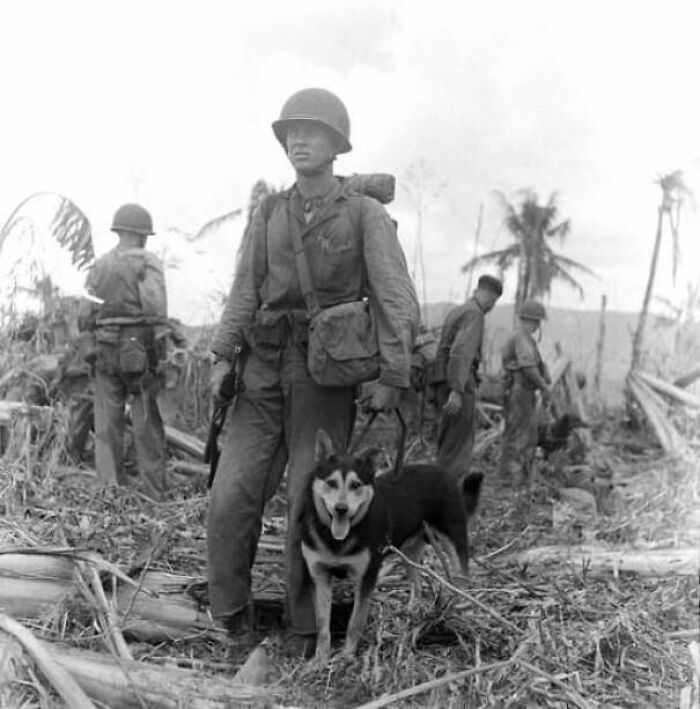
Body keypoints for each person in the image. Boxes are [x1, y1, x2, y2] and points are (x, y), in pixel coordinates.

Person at [207, 87, 419, 642]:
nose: (298, 140)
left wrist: (393, 376)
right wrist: (221, 354)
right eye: (290, 133)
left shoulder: (364, 216)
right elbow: (244, 292)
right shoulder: (269, 213)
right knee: (231, 496)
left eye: (312, 131)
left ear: (337, 144)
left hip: (324, 375)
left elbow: (395, 297)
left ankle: (306, 632)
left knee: (314, 502)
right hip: (260, 371)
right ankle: (230, 618)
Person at [78, 203, 169, 501]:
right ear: (143, 235)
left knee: (107, 426)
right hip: (139, 352)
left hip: (105, 351)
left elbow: (85, 313)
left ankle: (110, 495)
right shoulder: (148, 262)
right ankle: (154, 496)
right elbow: (155, 310)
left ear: (119, 231)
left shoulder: (100, 265)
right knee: (146, 424)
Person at [431, 275, 503, 478]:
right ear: (486, 294)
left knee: (447, 440)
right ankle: (447, 491)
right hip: (457, 384)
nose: (491, 307)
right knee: (457, 444)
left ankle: (440, 486)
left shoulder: (458, 310)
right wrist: (457, 390)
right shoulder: (474, 314)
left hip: (443, 382)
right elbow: (461, 353)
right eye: (493, 301)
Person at [500, 300, 551, 483]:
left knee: (526, 434)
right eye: (537, 322)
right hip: (519, 390)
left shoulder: (525, 339)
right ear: (532, 321)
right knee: (518, 434)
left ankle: (519, 476)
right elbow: (528, 367)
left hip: (524, 391)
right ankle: (510, 478)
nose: (538, 326)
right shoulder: (521, 337)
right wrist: (545, 387)